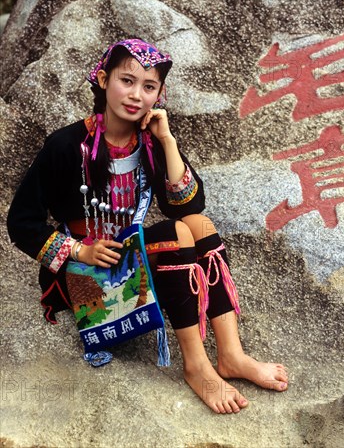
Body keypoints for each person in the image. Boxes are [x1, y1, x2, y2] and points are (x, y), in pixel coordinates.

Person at [7, 38, 288, 414]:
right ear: (104, 80)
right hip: (86, 273)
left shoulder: (150, 142)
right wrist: (80, 250)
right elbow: (21, 222)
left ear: (160, 93)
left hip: (129, 256)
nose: (136, 94)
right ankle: (197, 366)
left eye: (149, 86)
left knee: (198, 224)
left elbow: (189, 204)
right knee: (176, 235)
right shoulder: (64, 145)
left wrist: (167, 141)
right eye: (127, 81)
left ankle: (231, 355)